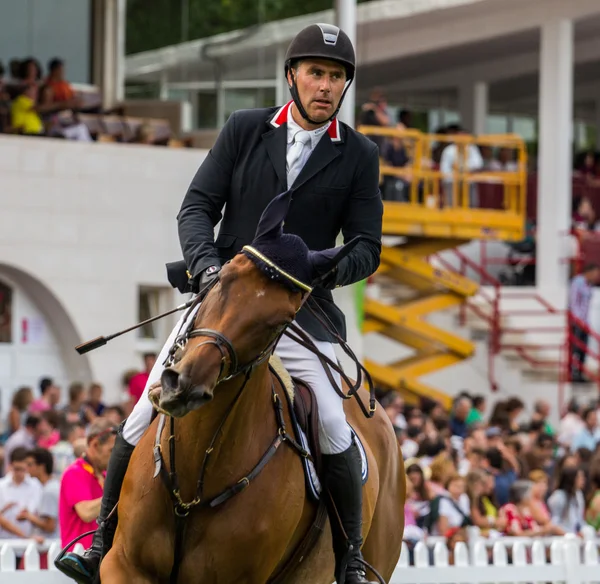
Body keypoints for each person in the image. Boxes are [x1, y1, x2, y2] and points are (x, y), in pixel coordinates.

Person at [56, 23, 382, 584]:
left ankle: (349, 557)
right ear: (292, 77)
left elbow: (366, 249)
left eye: (335, 76)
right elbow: (196, 209)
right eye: (316, 73)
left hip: (297, 313)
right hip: (221, 301)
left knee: (332, 420)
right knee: (141, 413)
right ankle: (100, 542)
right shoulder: (244, 129)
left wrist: (318, 268)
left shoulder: (358, 154)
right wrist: (209, 270)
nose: (325, 86)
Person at [58, 420, 117, 554]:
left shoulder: (105, 475)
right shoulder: (74, 473)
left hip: (100, 556)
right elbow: (87, 513)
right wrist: (121, 493)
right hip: (79, 560)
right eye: (111, 451)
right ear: (95, 444)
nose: (115, 457)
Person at [568, 264, 600, 382]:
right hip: (578, 322)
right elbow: (574, 302)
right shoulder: (577, 283)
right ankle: (573, 373)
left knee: (583, 349)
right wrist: (578, 320)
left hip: (585, 322)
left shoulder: (589, 285)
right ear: (589, 272)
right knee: (576, 348)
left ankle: (580, 373)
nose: (597, 276)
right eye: (595, 273)